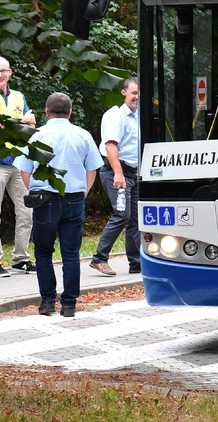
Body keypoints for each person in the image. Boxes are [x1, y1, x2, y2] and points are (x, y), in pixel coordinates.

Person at [17, 92, 102, 317]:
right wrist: (84, 191)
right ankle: (69, 304)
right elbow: (92, 168)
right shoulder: (82, 135)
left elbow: (24, 170)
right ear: (70, 112)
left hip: (44, 198)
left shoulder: (35, 136)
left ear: (46, 112)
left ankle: (47, 301)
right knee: (71, 253)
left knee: (43, 251)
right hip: (74, 197)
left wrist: (33, 190)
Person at [0, 55, 36, 277]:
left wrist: (19, 123)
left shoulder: (19, 96)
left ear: (10, 72)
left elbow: (31, 123)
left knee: (26, 212)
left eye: (4, 70)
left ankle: (21, 258)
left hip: (19, 161)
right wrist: (20, 122)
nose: (0, 74)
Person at [90, 77, 140, 276]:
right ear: (124, 93)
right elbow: (111, 145)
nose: (137, 98)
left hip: (135, 174)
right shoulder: (116, 115)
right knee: (122, 214)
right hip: (116, 173)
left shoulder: (139, 116)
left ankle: (136, 262)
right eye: (134, 93)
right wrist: (118, 173)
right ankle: (99, 259)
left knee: (135, 219)